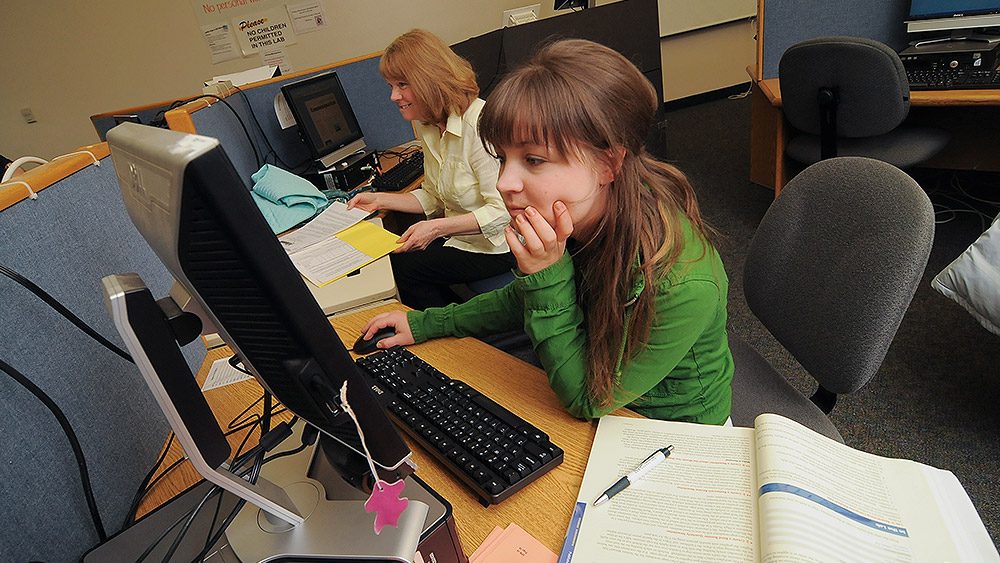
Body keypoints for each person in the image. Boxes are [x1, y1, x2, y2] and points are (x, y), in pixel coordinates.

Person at [359, 39, 733, 424]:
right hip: (602, 384)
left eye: (534, 160)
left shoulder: (681, 282)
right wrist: (426, 323)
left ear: (608, 164)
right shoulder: (581, 213)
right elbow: (520, 298)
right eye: (503, 158)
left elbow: (587, 400)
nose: (505, 182)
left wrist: (545, 274)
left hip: (670, 429)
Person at [348, 29, 514, 309]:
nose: (393, 97)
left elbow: (503, 212)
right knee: (398, 256)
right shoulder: (429, 125)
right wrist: (379, 199)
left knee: (404, 269)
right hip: (462, 238)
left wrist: (436, 228)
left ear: (429, 81)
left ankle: (454, 337)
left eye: (402, 85)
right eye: (391, 86)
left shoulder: (479, 125)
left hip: (498, 245)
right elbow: (435, 196)